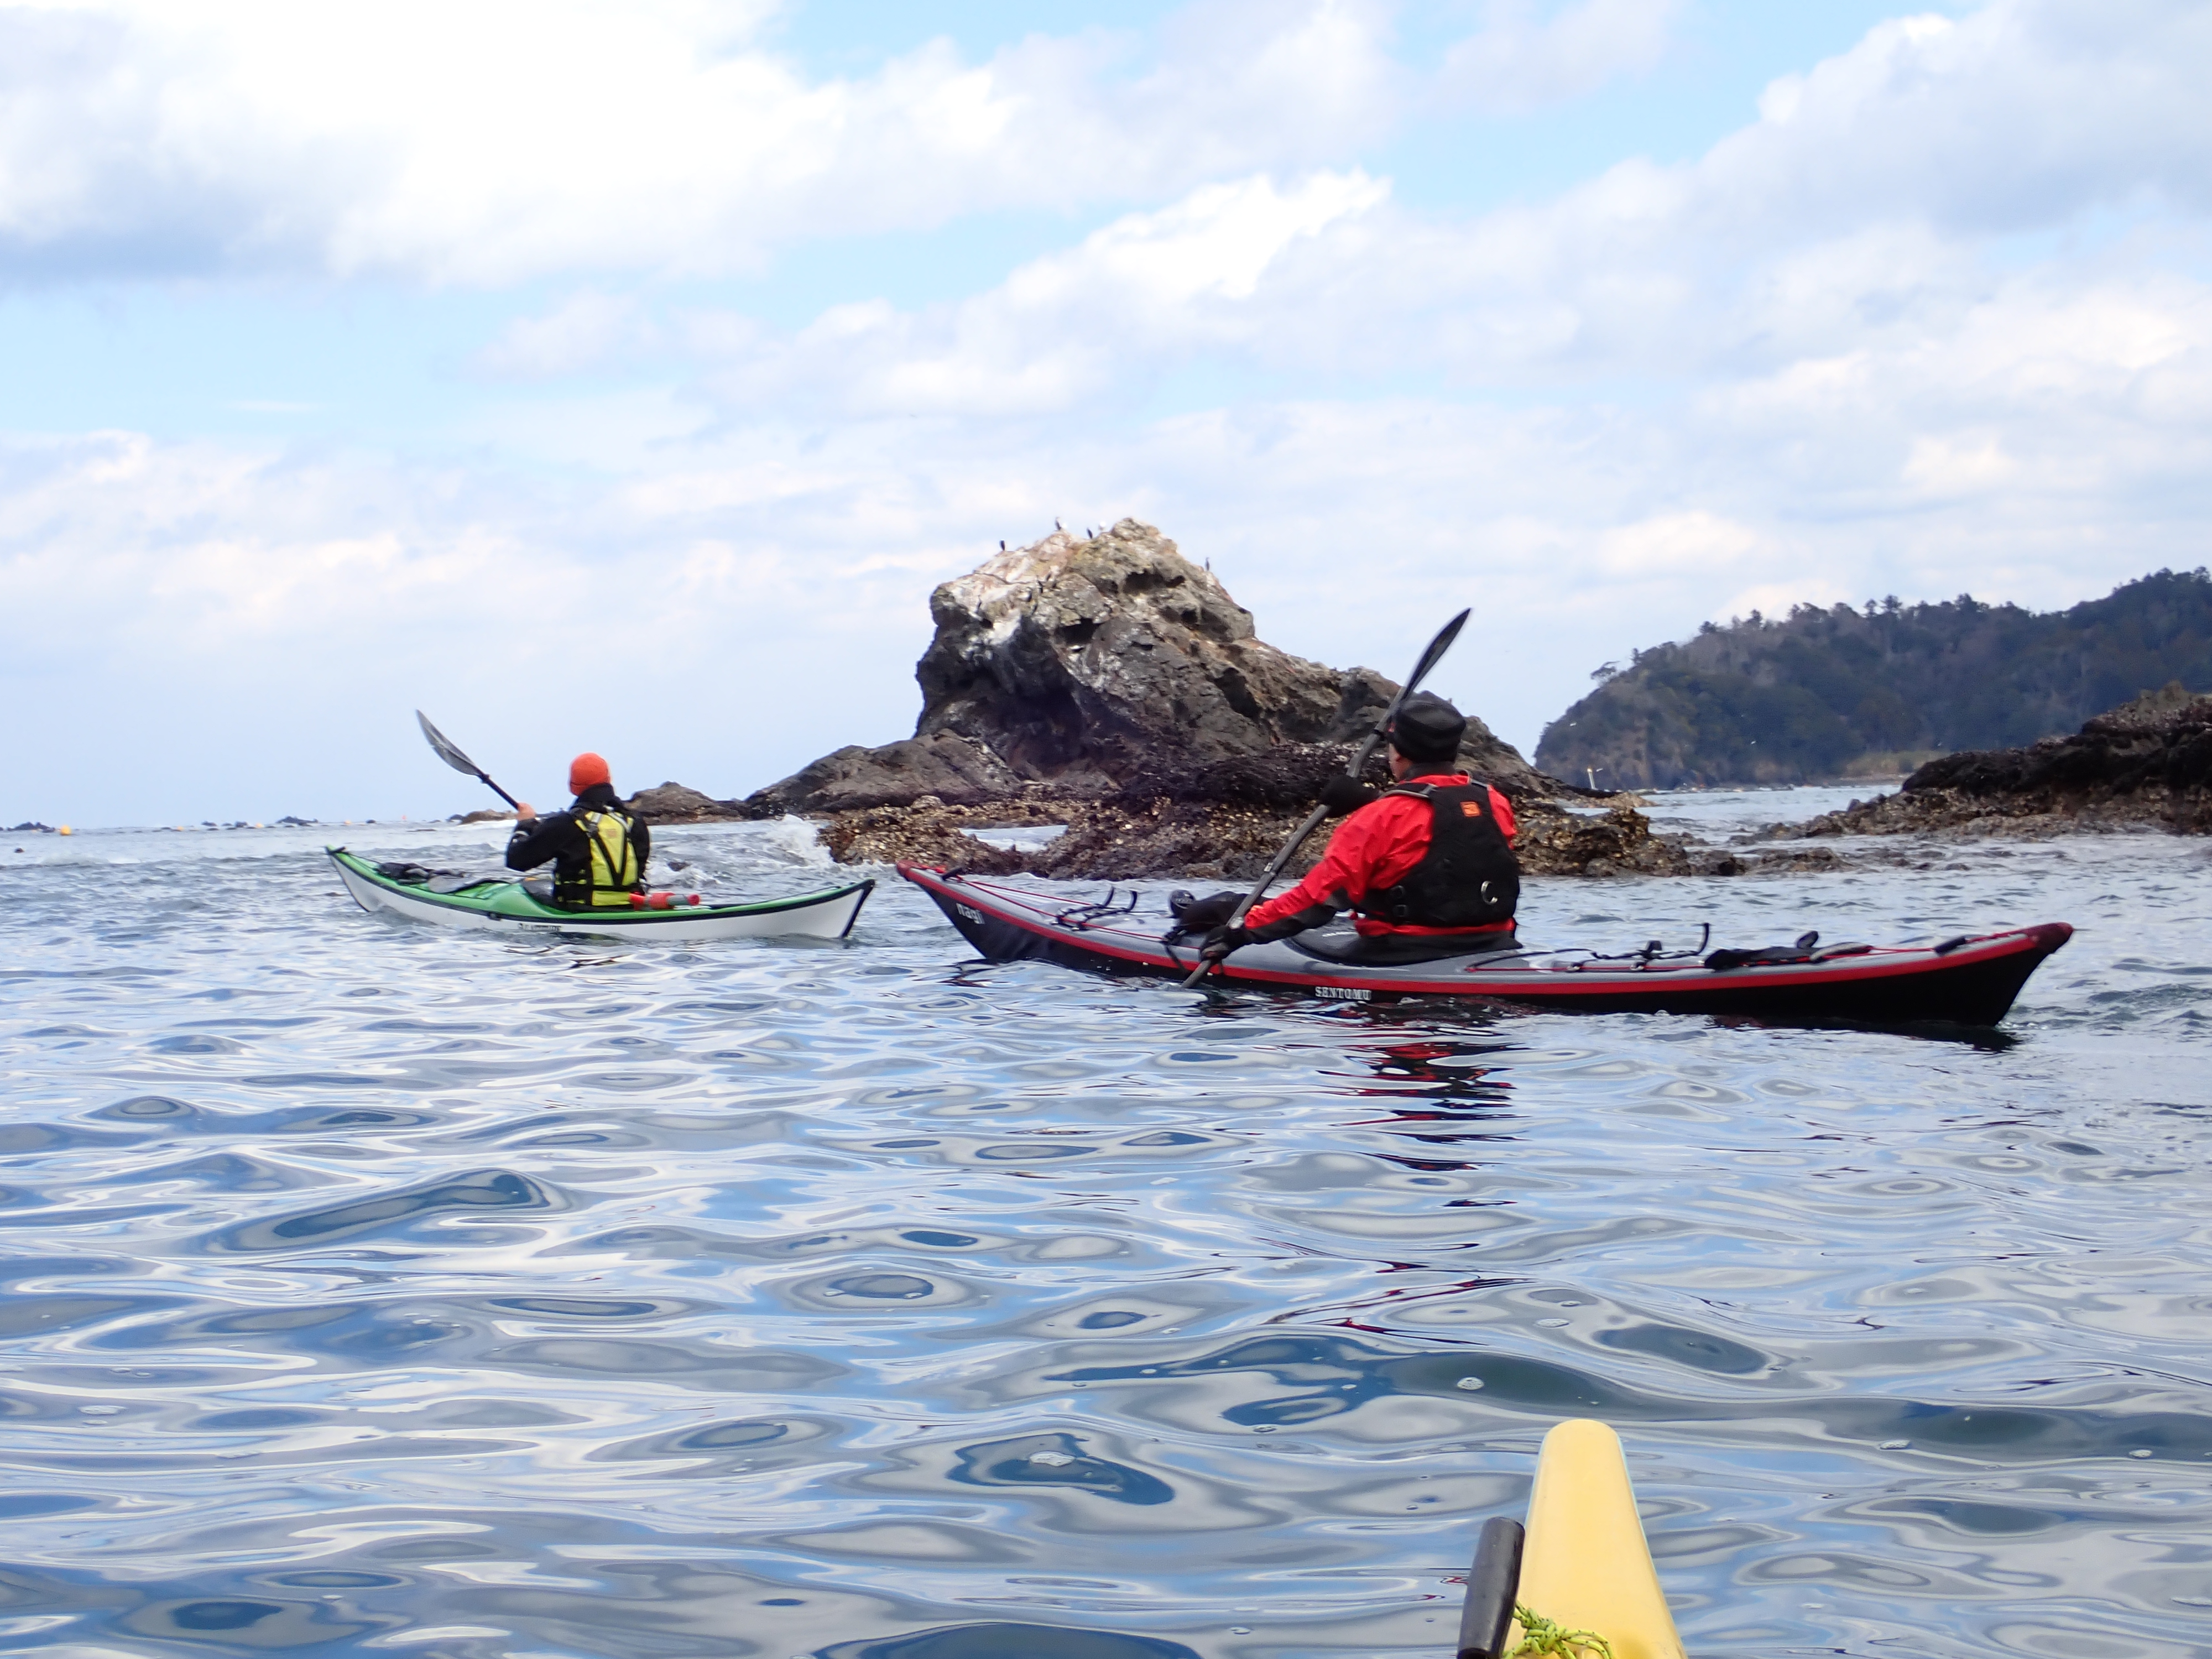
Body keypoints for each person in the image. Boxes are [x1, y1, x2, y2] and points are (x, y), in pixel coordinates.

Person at [1196, 692, 1520, 965]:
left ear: (1397, 752)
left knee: (1232, 907)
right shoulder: (1494, 802)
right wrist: (1372, 802)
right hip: (1495, 945)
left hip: (1404, 955)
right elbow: (1444, 839)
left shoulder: (1380, 819)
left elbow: (1318, 900)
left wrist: (1240, 930)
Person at [505, 752, 651, 908]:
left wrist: (525, 824)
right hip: (629, 907)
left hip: (578, 912)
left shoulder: (566, 823)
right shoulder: (634, 822)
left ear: (572, 787)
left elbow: (516, 860)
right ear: (609, 780)